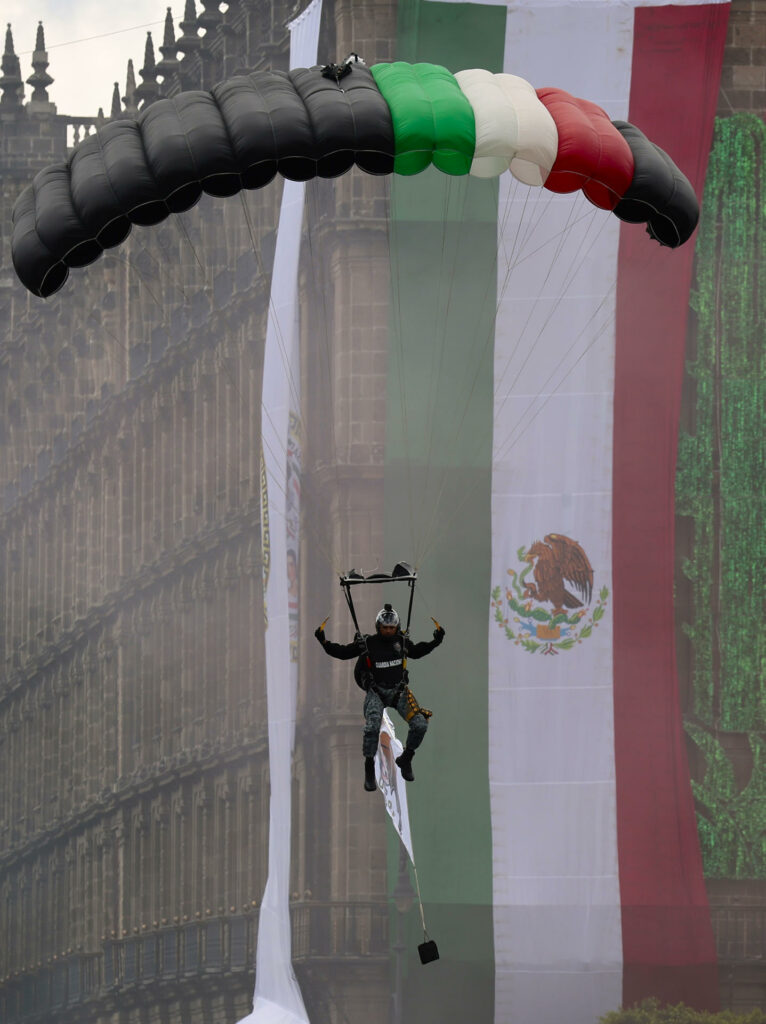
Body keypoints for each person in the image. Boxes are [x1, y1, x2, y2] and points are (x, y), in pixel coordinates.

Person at [315, 603, 445, 791]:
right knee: (371, 728)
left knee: (420, 724)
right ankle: (369, 766)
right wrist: (324, 642)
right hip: (377, 692)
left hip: (398, 691)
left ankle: (406, 758)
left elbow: (417, 651)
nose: (389, 631)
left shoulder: (401, 642)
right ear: (379, 627)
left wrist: (435, 641)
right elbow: (343, 652)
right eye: (385, 628)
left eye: (392, 628)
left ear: (396, 627)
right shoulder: (368, 644)